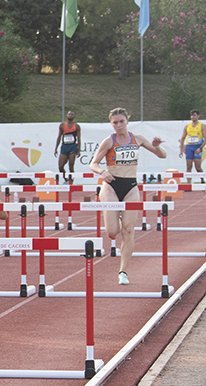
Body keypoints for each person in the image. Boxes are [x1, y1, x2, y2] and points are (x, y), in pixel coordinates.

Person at [89, 107, 166, 285]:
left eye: (121, 122)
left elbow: (162, 155)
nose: (118, 125)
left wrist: (157, 146)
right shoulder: (109, 141)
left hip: (131, 186)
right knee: (112, 232)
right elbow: (93, 163)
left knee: (129, 230)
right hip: (111, 186)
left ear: (127, 121)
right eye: (115, 122)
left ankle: (123, 271)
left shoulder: (137, 139)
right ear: (111, 124)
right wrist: (102, 172)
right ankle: (112, 216)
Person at [54, 110, 82, 181]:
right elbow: (59, 137)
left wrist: (79, 150)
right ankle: (65, 178)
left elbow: (79, 138)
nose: (70, 115)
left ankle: (71, 179)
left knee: (71, 164)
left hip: (72, 146)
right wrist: (56, 148)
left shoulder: (77, 126)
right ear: (67, 115)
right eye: (69, 114)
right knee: (60, 166)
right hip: (64, 146)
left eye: (72, 114)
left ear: (74, 116)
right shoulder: (62, 125)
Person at [177, 109, 203, 178]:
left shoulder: (202, 126)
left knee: (198, 167)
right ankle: (188, 184)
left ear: (198, 116)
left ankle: (202, 181)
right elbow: (182, 138)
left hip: (197, 146)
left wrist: (200, 148)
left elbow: (205, 138)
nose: (192, 117)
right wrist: (181, 150)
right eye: (191, 115)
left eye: (194, 115)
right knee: (188, 166)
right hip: (189, 147)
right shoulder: (187, 126)